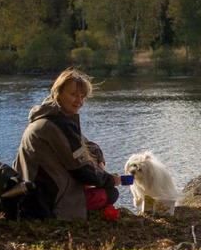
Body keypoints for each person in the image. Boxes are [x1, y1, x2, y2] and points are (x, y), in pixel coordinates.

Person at [14, 68, 121, 220]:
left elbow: (86, 145)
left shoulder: (47, 117)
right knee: (111, 193)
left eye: (82, 96)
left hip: (30, 195)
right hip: (47, 203)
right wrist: (110, 179)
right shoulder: (57, 125)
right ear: (58, 93)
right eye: (73, 94)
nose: (79, 101)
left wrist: (98, 157)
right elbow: (81, 171)